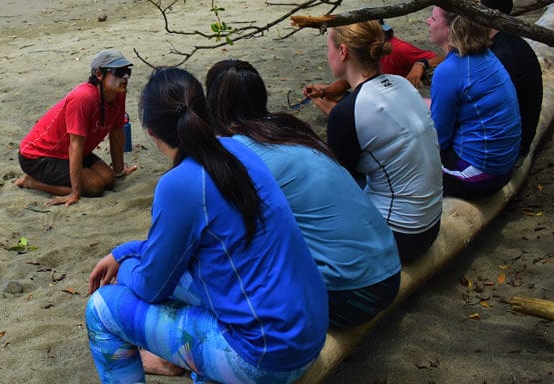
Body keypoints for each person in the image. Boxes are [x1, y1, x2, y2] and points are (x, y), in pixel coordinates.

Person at [85, 67, 327, 384]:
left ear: (151, 131)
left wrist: (124, 268)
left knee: (101, 309)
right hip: (308, 333)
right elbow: (182, 253)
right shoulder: (237, 149)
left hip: (266, 358)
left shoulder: (179, 184)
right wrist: (127, 251)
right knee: (186, 280)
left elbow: (151, 287)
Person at [205, 59, 401, 328]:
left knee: (220, 273)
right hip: (388, 272)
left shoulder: (236, 153)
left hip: (351, 295)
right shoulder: (289, 129)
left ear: (213, 106)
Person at [323, 21, 443, 262]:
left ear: (343, 51)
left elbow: (337, 185)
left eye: (329, 48)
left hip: (399, 236)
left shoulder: (347, 111)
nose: (328, 55)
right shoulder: (402, 85)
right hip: (430, 224)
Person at [15, 48, 138, 206]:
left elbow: (116, 131)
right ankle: (31, 182)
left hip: (72, 152)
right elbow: (75, 145)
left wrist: (119, 170)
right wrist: (75, 192)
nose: (126, 77)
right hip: (38, 156)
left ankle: (73, 181)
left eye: (127, 71)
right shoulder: (83, 97)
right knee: (95, 187)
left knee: (109, 179)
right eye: (119, 72)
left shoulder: (118, 93)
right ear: (99, 75)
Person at [426, 0, 521, 198]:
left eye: (434, 18)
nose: (428, 21)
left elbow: (438, 140)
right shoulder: (484, 55)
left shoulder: (450, 70)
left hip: (478, 176)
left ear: (451, 30)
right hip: (501, 165)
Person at [466, 0, 543, 159]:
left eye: (472, 9)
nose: (464, 15)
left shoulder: (505, 54)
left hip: (506, 152)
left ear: (494, 14)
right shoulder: (498, 44)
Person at [304, 19, 441, 114]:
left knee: (342, 111)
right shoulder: (364, 57)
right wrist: (323, 93)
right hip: (379, 97)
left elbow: (447, 57)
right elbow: (346, 83)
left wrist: (422, 63)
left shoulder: (398, 48)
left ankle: (342, 120)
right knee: (321, 89)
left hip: (388, 103)